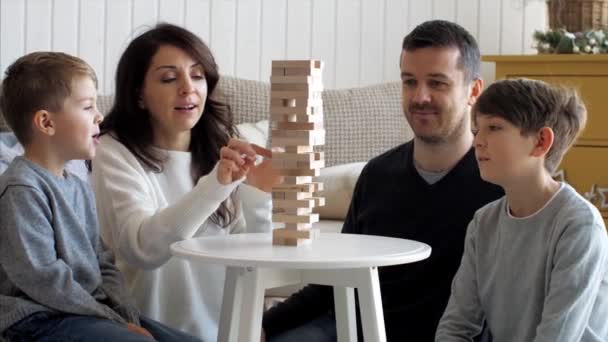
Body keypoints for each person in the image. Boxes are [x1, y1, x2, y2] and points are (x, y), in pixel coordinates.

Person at [262, 20, 503, 342]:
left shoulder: (499, 182)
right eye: (409, 81)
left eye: (437, 83)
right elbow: (335, 279)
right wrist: (264, 324)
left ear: (474, 90)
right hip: (353, 327)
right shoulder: (377, 175)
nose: (420, 97)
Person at [90, 23, 279, 341]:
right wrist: (216, 185)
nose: (188, 88)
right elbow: (143, 248)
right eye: (168, 78)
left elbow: (250, 259)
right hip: (151, 331)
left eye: (197, 75)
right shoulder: (112, 151)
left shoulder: (223, 147)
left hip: (225, 331)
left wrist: (260, 195)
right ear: (139, 94)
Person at [0, 51, 201, 341]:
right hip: (38, 318)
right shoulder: (22, 189)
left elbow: (103, 262)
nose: (100, 116)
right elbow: (42, 279)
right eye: (87, 107)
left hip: (90, 312)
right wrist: (111, 320)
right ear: (46, 123)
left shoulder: (80, 185)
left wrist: (126, 316)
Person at [435, 78, 608, 341]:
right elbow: (456, 327)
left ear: (541, 141)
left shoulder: (579, 225)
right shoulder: (483, 223)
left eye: (493, 127)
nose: (477, 141)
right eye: (477, 129)